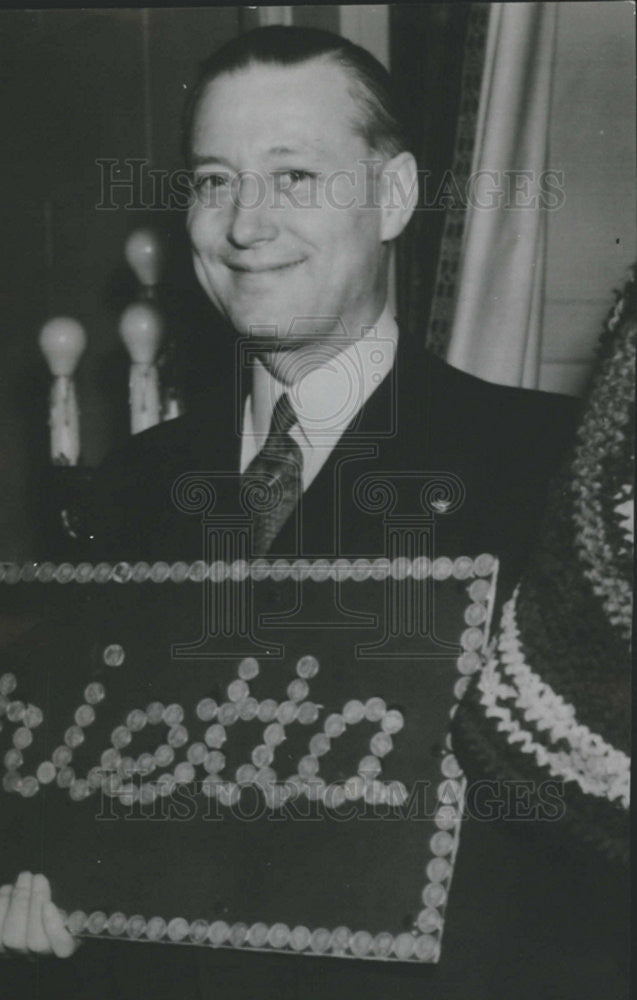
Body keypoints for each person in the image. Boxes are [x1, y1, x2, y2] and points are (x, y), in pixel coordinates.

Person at [4, 25, 625, 1000]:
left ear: (395, 197)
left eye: (293, 177)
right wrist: (44, 915)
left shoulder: (544, 469)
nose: (245, 224)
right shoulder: (124, 488)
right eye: (215, 179)